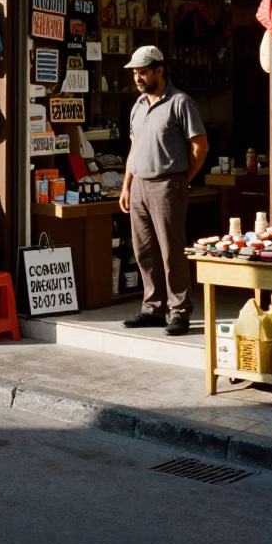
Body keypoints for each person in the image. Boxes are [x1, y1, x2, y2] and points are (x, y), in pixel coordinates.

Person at [118, 46, 209, 336]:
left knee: (171, 251)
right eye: (134, 72)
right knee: (143, 250)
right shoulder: (138, 105)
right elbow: (134, 147)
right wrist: (126, 185)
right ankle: (152, 309)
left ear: (159, 70)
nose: (138, 77)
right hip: (139, 186)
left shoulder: (180, 102)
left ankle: (180, 311)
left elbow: (200, 146)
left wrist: (183, 177)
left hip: (168, 183)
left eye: (143, 71)